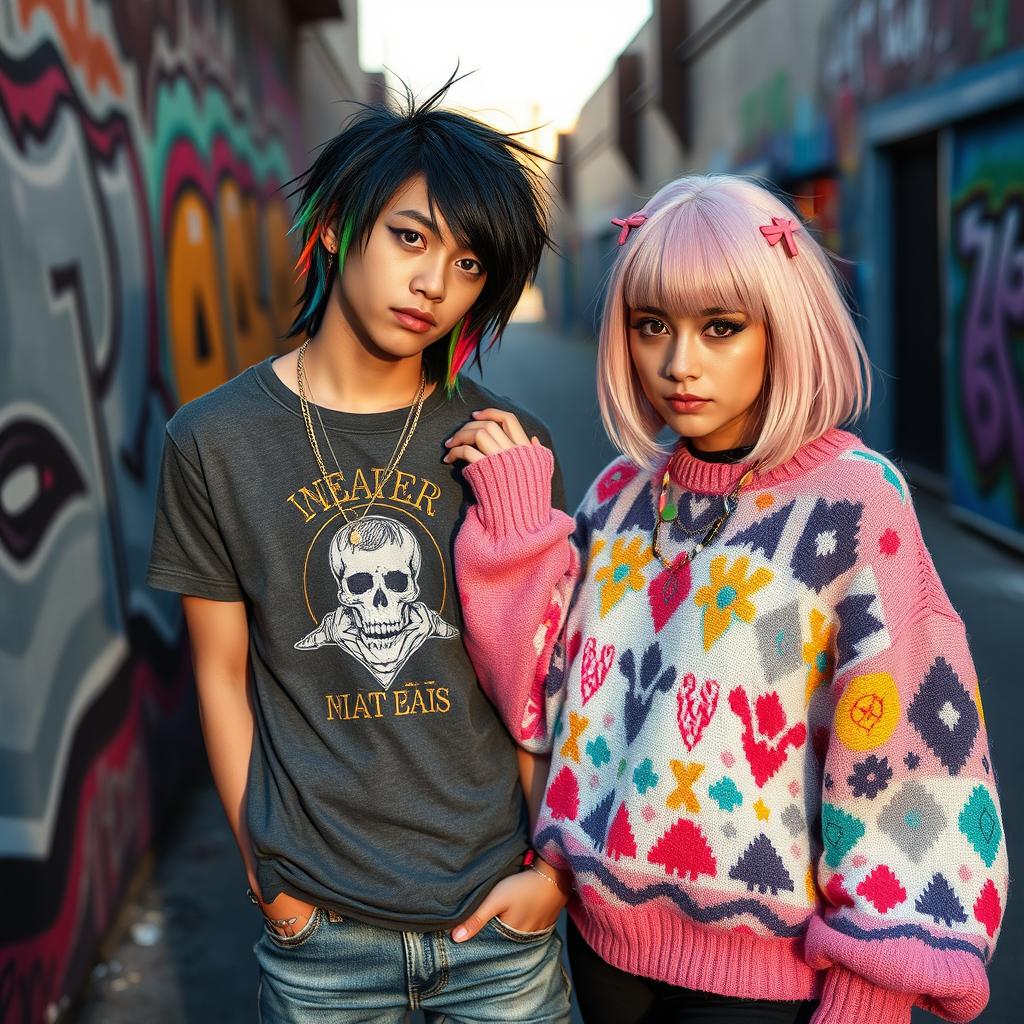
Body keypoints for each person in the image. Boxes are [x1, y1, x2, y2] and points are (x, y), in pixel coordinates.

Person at [447, 174, 1008, 1024]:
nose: (680, 363)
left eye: (721, 327)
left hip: (768, 984)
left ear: (782, 326)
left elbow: (915, 761)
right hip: (604, 954)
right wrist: (519, 529)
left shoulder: (855, 505)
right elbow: (552, 703)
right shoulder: (618, 496)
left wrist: (869, 997)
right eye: (651, 326)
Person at [146, 79, 572, 1023]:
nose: (434, 285)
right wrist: (271, 886)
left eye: (468, 264)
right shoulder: (213, 441)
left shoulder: (509, 444)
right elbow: (221, 675)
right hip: (322, 930)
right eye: (411, 238)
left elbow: (549, 679)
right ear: (339, 226)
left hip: (499, 919)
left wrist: (553, 872)